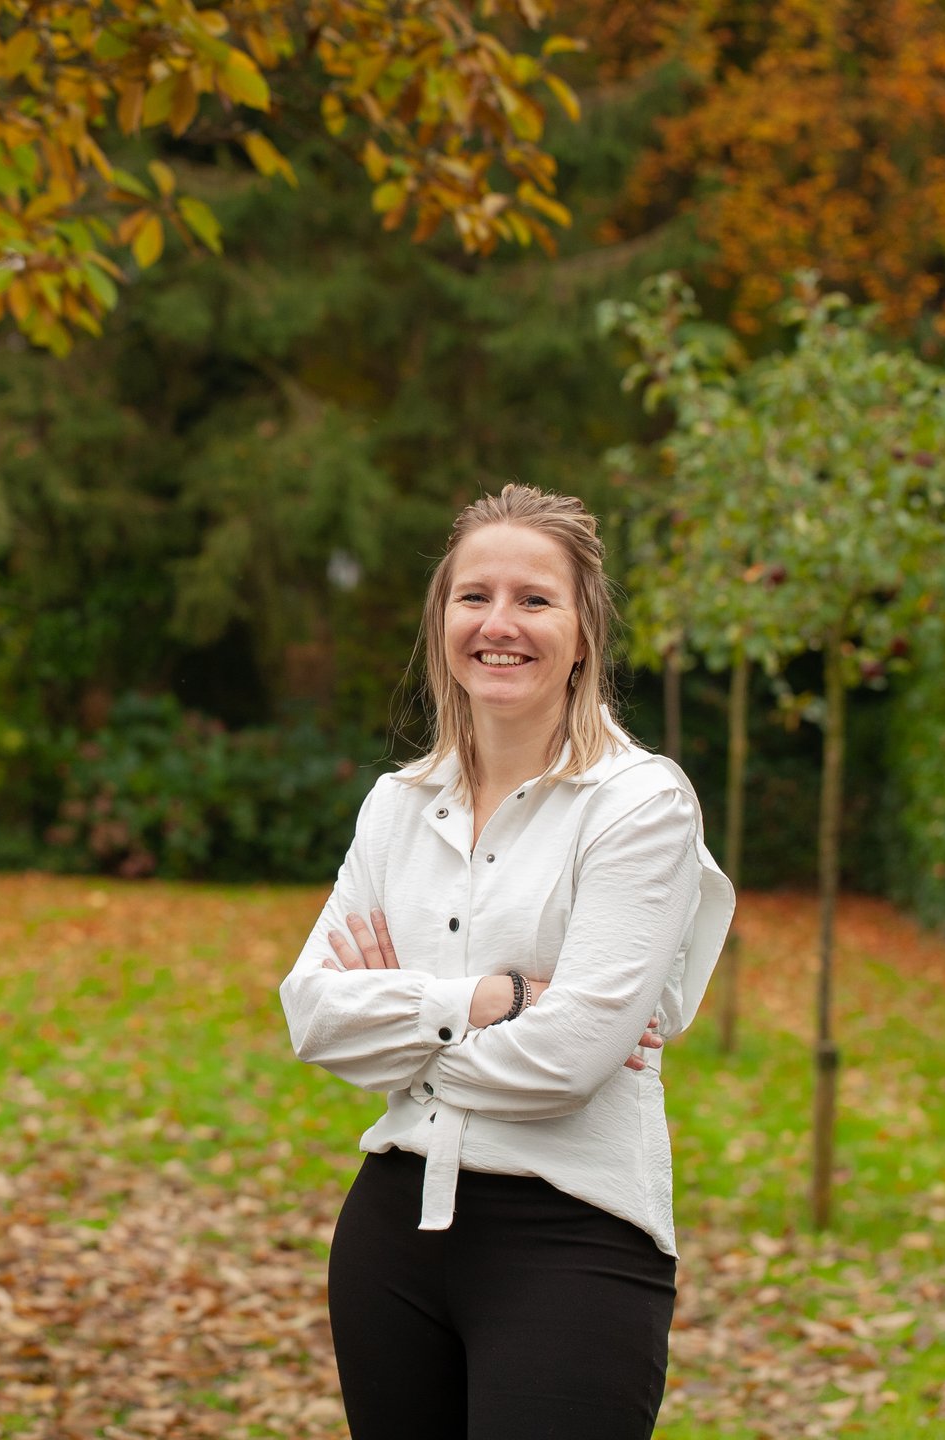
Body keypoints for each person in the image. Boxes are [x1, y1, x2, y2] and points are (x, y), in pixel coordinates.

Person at [280, 484, 733, 1439]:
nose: (500, 624)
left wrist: (398, 1022)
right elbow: (313, 1014)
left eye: (535, 599)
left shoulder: (639, 806)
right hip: (390, 1236)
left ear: (583, 632)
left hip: (573, 1243)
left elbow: (567, 1063)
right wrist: (496, 996)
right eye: (473, 596)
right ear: (442, 616)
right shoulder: (397, 805)